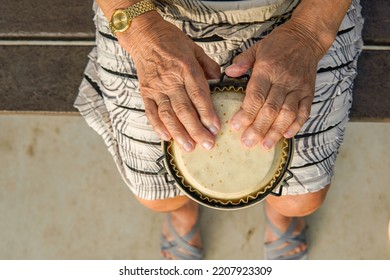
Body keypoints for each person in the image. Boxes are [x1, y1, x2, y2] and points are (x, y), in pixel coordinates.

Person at [75, 0, 363, 259]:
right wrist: (141, 32)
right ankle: (181, 211)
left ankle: (281, 209)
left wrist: (310, 35)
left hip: (304, 11)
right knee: (156, 195)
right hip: (148, 13)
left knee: (301, 200)